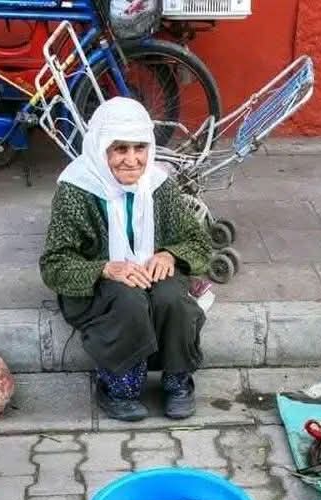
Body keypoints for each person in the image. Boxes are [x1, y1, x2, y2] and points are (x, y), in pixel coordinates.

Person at [39, 97, 212, 422]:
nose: (132, 160)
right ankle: (119, 387)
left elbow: (198, 241)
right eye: (120, 149)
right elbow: (54, 265)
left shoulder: (159, 185)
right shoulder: (77, 189)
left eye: (140, 148)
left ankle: (177, 382)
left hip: (148, 272)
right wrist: (105, 268)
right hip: (98, 286)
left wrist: (169, 253)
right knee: (129, 300)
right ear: (101, 149)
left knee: (171, 296)